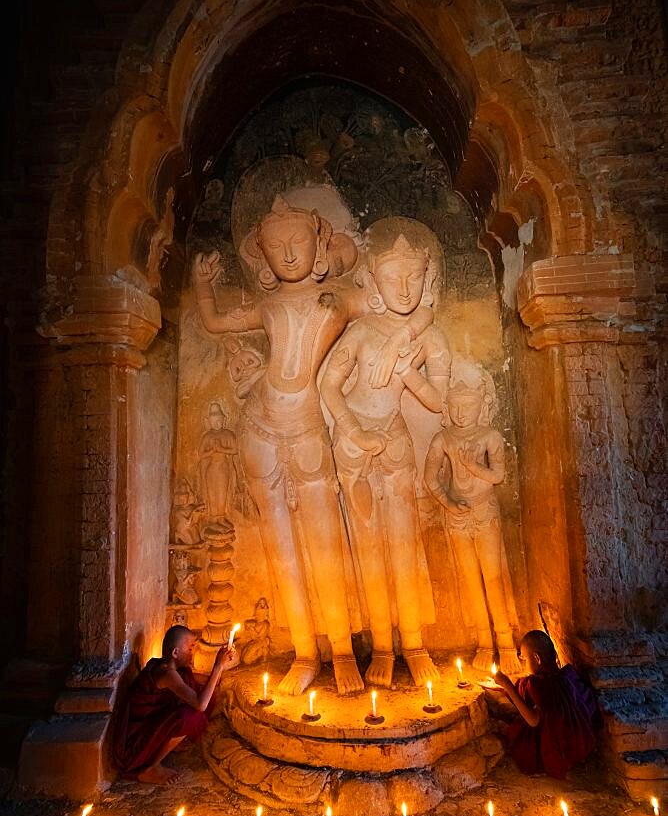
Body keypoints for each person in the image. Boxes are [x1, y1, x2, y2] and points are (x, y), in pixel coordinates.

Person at [193, 197, 433, 695]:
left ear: (317, 245)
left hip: (306, 425)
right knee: (280, 546)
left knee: (326, 545)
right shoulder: (266, 305)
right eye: (275, 246)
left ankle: (342, 651)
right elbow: (215, 323)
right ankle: (305, 654)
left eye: (298, 241)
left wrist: (351, 260)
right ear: (261, 255)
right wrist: (201, 285)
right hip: (258, 424)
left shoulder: (338, 299)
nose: (287, 253)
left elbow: (405, 306)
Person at [321, 227, 450, 688]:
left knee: (404, 542)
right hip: (354, 442)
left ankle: (412, 643)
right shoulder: (360, 332)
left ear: (425, 281)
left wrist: (408, 374)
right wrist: (352, 430)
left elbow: (439, 401)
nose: (402, 288)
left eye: (412, 278)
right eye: (392, 278)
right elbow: (328, 386)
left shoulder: (427, 337)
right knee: (369, 548)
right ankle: (380, 645)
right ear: (373, 283)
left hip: (395, 440)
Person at [424, 362, 519, 673]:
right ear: (448, 408)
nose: (461, 412)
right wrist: (447, 502)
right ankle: (483, 642)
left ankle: (504, 641)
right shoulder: (443, 439)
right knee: (470, 579)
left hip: (484, 511)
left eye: (468, 406)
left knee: (492, 576)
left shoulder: (490, 436)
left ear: (481, 406)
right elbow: (431, 478)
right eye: (455, 406)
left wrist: (471, 465)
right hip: (458, 515)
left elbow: (498, 475)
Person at [113, 625, 238, 783]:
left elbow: (203, 688)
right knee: (192, 715)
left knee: (204, 691)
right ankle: (152, 767)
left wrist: (220, 667)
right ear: (175, 653)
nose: (193, 653)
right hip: (135, 740)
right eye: (191, 648)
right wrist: (218, 666)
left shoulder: (174, 669)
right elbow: (200, 705)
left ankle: (173, 742)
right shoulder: (167, 674)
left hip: (152, 723)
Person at [492, 629, 599, 778]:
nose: (523, 663)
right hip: (580, 743)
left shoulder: (538, 684)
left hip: (558, 751)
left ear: (536, 658)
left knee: (519, 731)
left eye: (523, 658)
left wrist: (508, 686)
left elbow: (533, 721)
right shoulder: (568, 675)